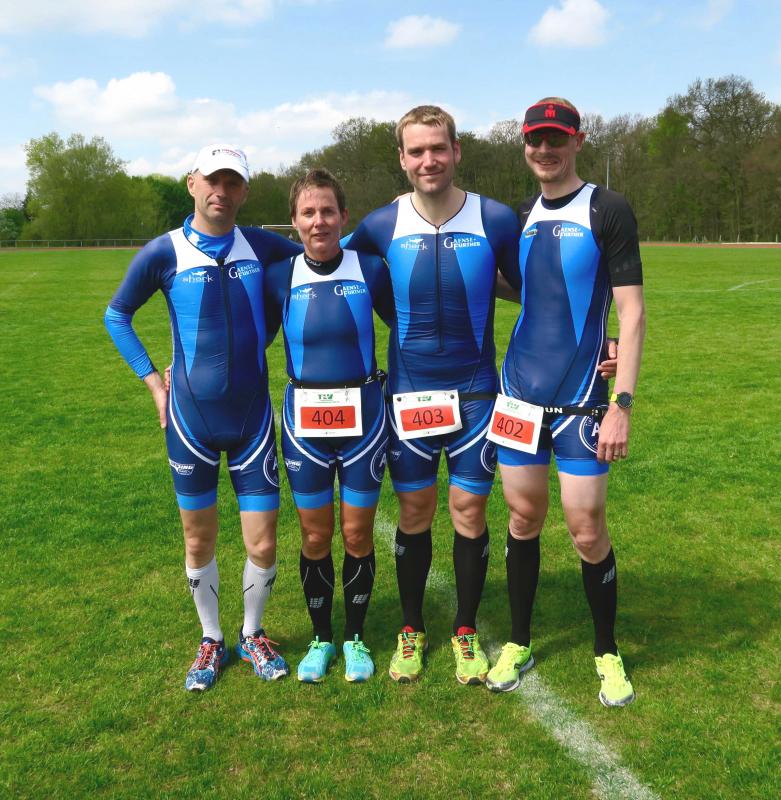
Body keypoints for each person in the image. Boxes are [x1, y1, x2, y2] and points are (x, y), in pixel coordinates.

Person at [105, 144, 302, 691]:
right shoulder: (163, 252)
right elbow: (117, 314)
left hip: (252, 421)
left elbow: (324, 251)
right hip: (190, 421)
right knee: (199, 541)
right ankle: (211, 638)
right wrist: (153, 383)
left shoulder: (261, 244)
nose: (222, 191)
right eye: (212, 180)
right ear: (192, 183)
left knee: (263, 543)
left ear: (245, 191)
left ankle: (253, 632)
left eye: (233, 182)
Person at [343, 106, 523, 685]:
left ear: (456, 151)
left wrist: (603, 336)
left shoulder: (495, 219)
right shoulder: (379, 225)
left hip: (476, 397)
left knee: (469, 511)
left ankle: (465, 629)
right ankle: (412, 627)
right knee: (415, 512)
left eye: (438, 148)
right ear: (402, 158)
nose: (428, 160)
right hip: (410, 397)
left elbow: (538, 289)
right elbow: (322, 263)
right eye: (416, 151)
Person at [484, 99, 646, 707]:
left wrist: (622, 402)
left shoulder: (607, 208)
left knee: (586, 526)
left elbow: (632, 311)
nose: (545, 150)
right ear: (525, 145)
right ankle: (519, 642)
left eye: (556, 139)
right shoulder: (518, 216)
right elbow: (524, 288)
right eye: (536, 140)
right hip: (518, 396)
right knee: (522, 517)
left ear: (577, 141)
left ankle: (606, 649)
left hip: (583, 401)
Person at [264, 169, 395, 683]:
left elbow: (410, 328)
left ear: (344, 216)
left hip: (365, 422)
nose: (318, 221)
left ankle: (355, 638)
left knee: (357, 533)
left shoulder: (372, 269)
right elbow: (249, 340)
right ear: (294, 221)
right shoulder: (279, 276)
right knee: (315, 535)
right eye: (308, 212)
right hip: (304, 426)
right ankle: (321, 638)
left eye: (327, 211)